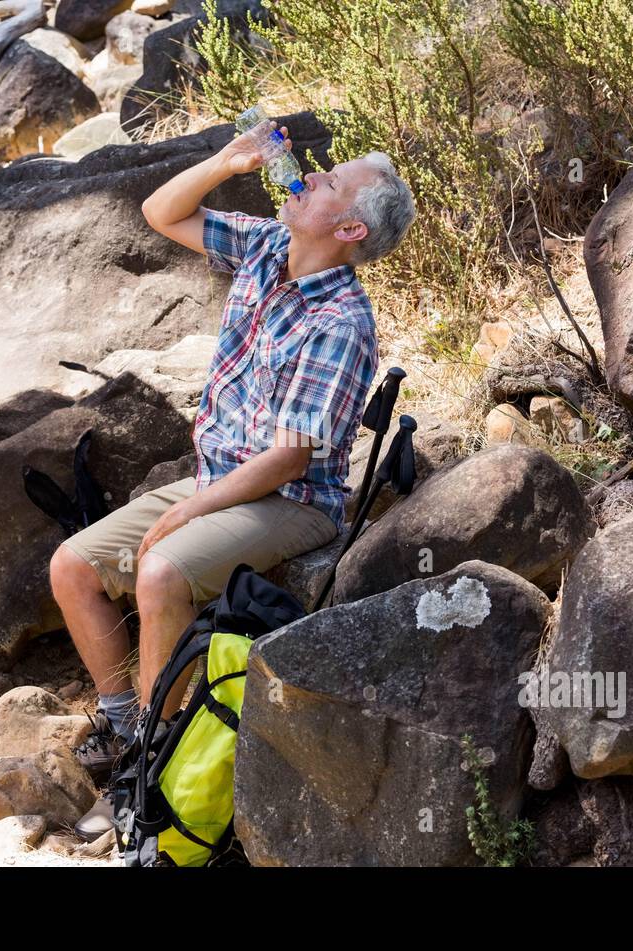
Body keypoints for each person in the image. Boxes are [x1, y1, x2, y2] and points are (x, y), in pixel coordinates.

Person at [49, 119, 417, 782]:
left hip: (293, 501)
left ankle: (158, 760)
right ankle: (126, 720)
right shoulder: (267, 245)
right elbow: (161, 213)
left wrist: (190, 513)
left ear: (350, 230)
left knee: (161, 572)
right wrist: (225, 162)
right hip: (221, 476)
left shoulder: (342, 321)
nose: (306, 178)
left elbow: (289, 459)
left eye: (328, 183)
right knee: (73, 566)